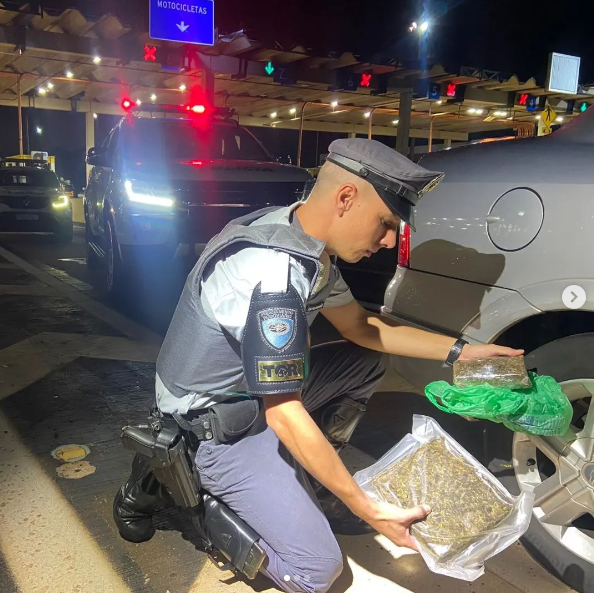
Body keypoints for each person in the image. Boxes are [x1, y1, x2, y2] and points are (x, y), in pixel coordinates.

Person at [117, 139, 523, 593]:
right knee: (316, 571)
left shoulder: (300, 234)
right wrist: (367, 506)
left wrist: (461, 351)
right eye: (386, 224)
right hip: (217, 423)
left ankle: (312, 479)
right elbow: (284, 411)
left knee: (364, 360)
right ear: (346, 198)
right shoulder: (273, 275)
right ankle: (172, 480)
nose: (390, 241)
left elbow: (361, 326)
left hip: (249, 392)